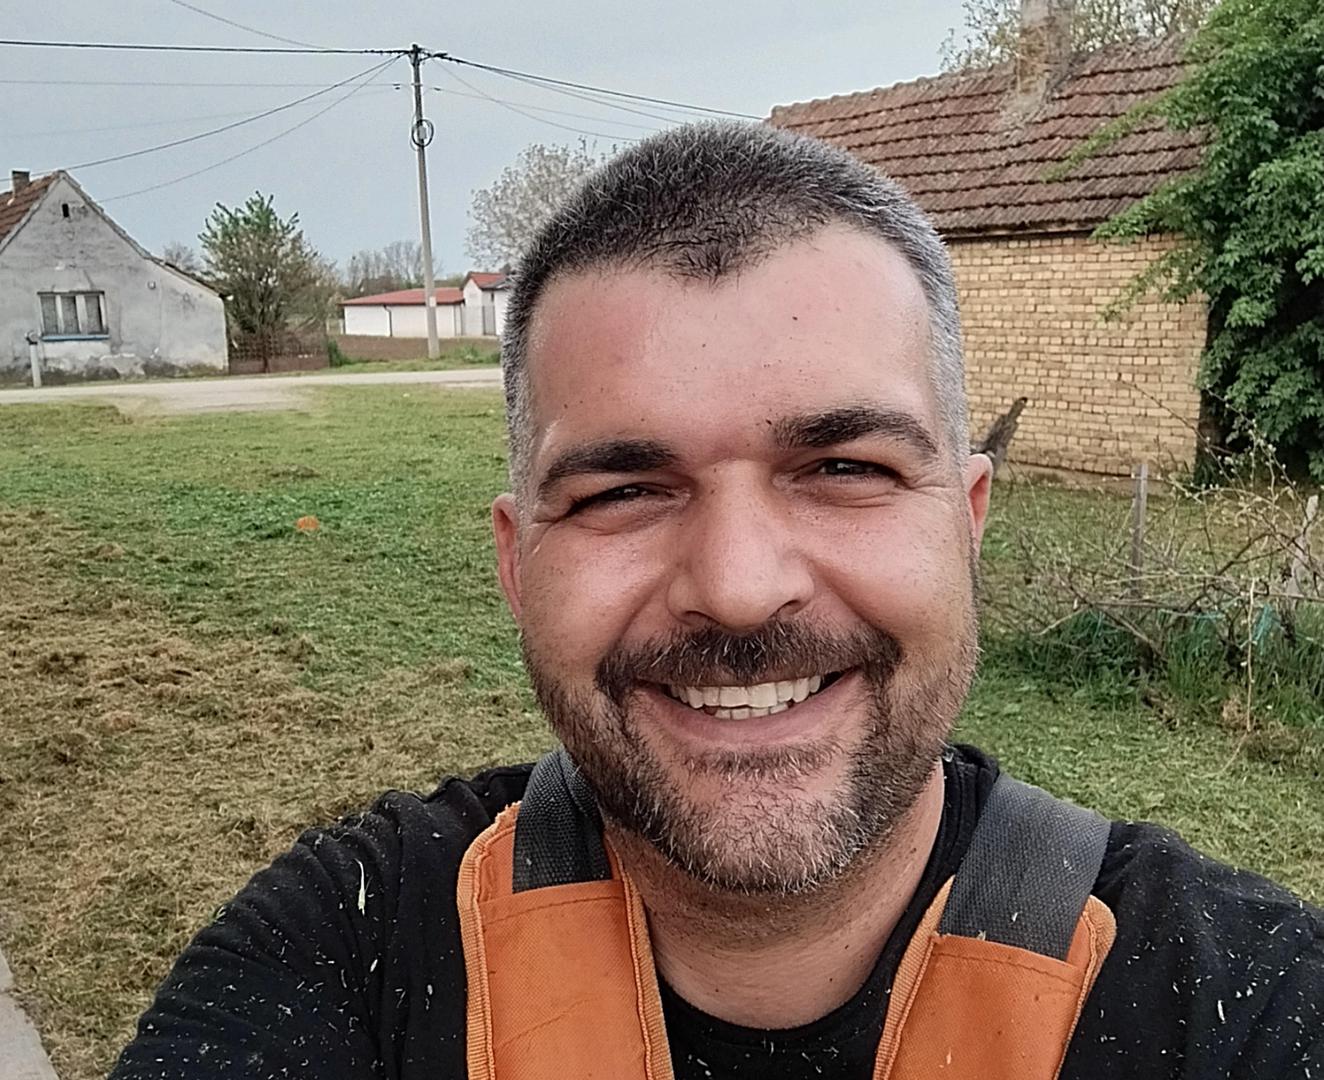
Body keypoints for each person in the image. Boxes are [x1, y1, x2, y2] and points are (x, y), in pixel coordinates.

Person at [110, 122, 1322, 1080]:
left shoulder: (1247, 1000)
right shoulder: (345, 951)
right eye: (624, 491)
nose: (739, 591)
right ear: (517, 564)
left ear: (966, 522)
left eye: (843, 469)